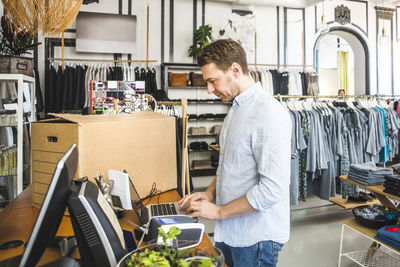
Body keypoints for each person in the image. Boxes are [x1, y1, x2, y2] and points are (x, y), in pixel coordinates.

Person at [179, 39, 292, 267]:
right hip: (231, 230)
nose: (209, 89)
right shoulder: (235, 109)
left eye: (212, 81)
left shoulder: (269, 114)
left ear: (235, 70)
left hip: (256, 238)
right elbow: (228, 165)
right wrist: (210, 194)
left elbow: (271, 190)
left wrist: (218, 212)